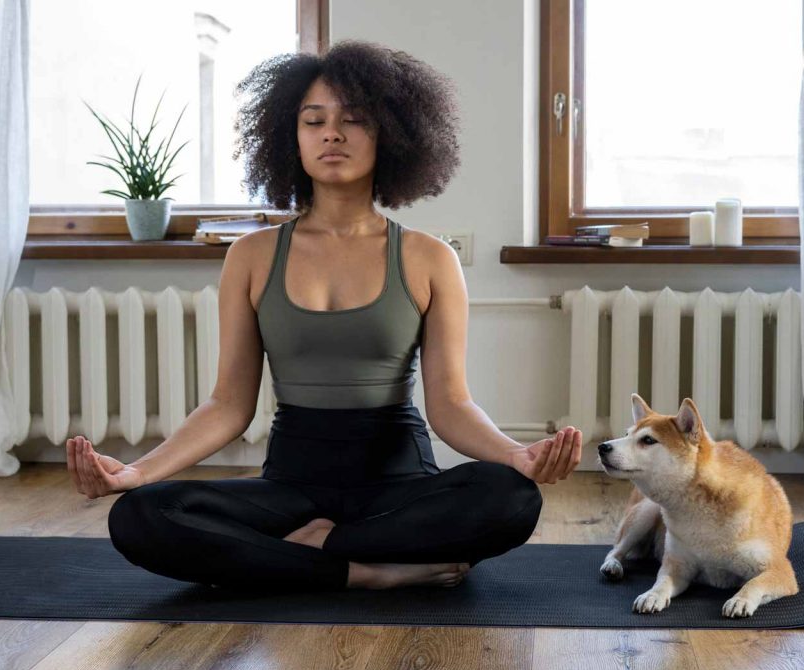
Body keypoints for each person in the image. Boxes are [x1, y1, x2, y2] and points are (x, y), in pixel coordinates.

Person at [66, 40, 583, 593]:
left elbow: (451, 405)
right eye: (314, 121)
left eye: (353, 120)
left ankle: (315, 552)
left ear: (391, 135)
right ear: (291, 138)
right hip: (291, 488)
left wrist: (515, 455)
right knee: (141, 516)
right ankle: (361, 569)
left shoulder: (429, 257)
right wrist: (138, 472)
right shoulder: (252, 255)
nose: (331, 133)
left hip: (398, 486)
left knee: (510, 499)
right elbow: (228, 405)